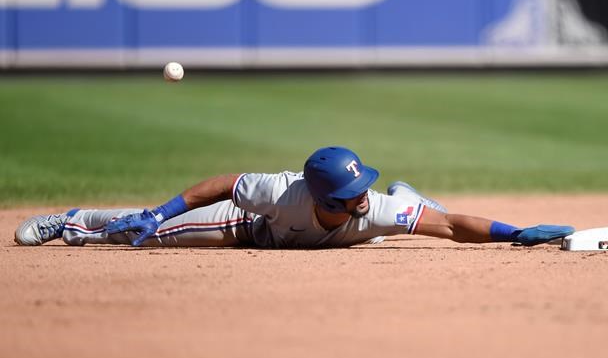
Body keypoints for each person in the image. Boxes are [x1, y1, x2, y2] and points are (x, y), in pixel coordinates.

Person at [14, 146, 574, 248]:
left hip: (319, 238)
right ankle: (70, 223)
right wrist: (159, 211)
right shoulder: (280, 193)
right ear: (326, 195)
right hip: (249, 227)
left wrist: (514, 233)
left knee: (407, 217)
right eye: (355, 189)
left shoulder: (370, 207)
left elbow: (452, 227)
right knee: (149, 231)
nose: (365, 194)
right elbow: (220, 186)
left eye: (365, 186)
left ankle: (414, 197)